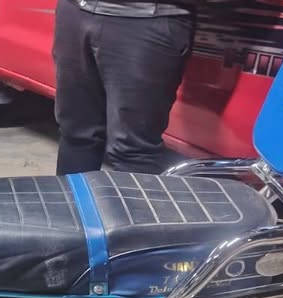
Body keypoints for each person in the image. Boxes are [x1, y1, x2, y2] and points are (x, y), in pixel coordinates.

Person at [53, 0, 196, 175]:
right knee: (76, 134)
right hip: (76, 10)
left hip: (146, 17)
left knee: (133, 151)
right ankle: (73, 194)